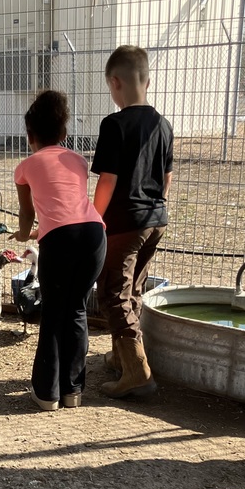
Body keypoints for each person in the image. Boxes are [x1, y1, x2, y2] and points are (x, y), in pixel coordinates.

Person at [13, 90, 106, 410]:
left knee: (53, 314)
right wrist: (45, 229)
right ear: (64, 134)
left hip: (60, 242)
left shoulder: (25, 167)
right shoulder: (78, 160)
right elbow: (69, 208)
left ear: (29, 136)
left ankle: (46, 394)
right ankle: (73, 391)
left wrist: (24, 234)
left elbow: (27, 215)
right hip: (94, 236)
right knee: (77, 310)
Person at [91, 45, 174, 398]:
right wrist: (156, 206)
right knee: (133, 289)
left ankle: (138, 372)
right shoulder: (163, 123)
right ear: (148, 81)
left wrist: (93, 218)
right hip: (156, 219)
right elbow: (167, 176)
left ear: (115, 82)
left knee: (112, 291)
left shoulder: (114, 124)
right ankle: (122, 358)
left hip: (126, 222)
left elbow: (107, 180)